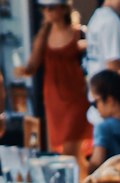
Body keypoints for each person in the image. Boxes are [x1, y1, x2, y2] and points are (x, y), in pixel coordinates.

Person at [16, 0, 90, 170]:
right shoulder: (44, 35)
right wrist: (22, 70)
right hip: (54, 98)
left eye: (50, 8)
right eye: (43, 8)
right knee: (56, 149)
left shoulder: (78, 33)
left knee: (72, 152)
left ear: (63, 9)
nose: (46, 12)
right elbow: (32, 66)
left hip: (75, 97)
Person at [84, 0, 120, 88]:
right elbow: (114, 71)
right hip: (110, 96)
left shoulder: (97, 17)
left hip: (99, 94)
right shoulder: (111, 22)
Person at [88, 67, 120, 166]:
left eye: (95, 102)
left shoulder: (104, 127)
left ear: (109, 100)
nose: (95, 108)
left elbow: (97, 162)